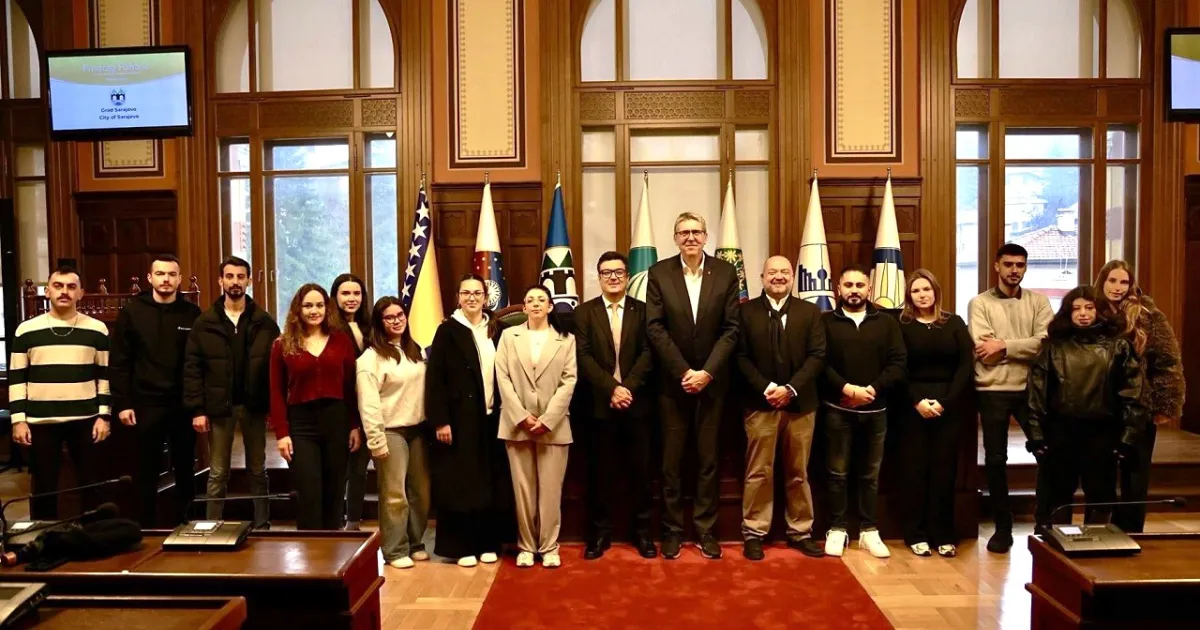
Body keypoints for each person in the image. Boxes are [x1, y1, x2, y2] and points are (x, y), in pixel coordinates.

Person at [645, 212, 740, 560]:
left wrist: (707, 372)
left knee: (708, 461)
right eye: (683, 232)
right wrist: (685, 371)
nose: (690, 238)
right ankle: (670, 530)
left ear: (706, 236)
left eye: (696, 232)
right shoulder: (659, 273)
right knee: (671, 462)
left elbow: (732, 329)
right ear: (674, 238)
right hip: (672, 384)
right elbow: (654, 327)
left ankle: (705, 529)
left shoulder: (726, 273)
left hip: (713, 385)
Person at [1026, 286, 1145, 527]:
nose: (1082, 314)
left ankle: (1098, 548)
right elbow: (1036, 394)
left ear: (1100, 312)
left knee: (1101, 492)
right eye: (1076, 308)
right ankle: (1055, 549)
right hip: (1061, 430)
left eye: (1089, 308)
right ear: (1067, 313)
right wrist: (1036, 435)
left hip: (1102, 431)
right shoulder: (1053, 348)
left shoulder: (1119, 347)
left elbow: (1134, 395)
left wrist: (1128, 437)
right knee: (1057, 492)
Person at [735, 255, 826, 561]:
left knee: (798, 471)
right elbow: (741, 357)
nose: (778, 276)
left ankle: (800, 531)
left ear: (792, 277)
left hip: (801, 405)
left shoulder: (810, 312)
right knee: (758, 471)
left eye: (784, 272)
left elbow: (817, 355)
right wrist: (767, 389)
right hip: (759, 405)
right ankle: (754, 532)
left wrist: (790, 389)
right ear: (761, 277)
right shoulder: (745, 312)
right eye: (772, 272)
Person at [967, 243, 1052, 553]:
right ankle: (1003, 528)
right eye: (1008, 264)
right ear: (996, 267)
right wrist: (1021, 348)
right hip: (992, 390)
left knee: (1047, 453)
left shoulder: (1039, 302)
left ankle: (1045, 522)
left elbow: (1045, 345)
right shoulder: (980, 303)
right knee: (995, 461)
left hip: (1031, 390)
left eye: (1020, 264)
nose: (1014, 270)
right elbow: (985, 353)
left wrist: (1004, 346)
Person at [184, 256, 280, 529]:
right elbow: (193, 369)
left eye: (240, 276)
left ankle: (262, 524)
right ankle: (211, 525)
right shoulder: (205, 322)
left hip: (254, 407)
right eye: (230, 276)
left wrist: (274, 406)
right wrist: (198, 410)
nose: (235, 281)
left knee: (257, 470)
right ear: (220, 280)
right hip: (219, 408)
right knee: (217, 473)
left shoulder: (265, 322)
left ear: (249, 280)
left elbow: (275, 369)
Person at [9, 266, 112, 519]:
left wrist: (104, 416)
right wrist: (18, 420)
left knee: (91, 484)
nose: (64, 292)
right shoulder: (26, 330)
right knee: (44, 487)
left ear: (81, 293)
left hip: (86, 419)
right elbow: (17, 378)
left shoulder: (97, 329)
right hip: (40, 421)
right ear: (48, 292)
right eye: (58, 286)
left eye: (71, 287)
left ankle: (95, 535)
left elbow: (105, 375)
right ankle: (45, 538)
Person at [425, 274, 513, 567]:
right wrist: (440, 421)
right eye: (466, 293)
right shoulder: (448, 331)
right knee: (461, 484)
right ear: (458, 297)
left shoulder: (497, 329)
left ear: (486, 297)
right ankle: (462, 547)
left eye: (478, 293)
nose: (472, 298)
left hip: (491, 418)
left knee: (489, 483)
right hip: (458, 422)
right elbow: (435, 380)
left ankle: (488, 542)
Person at [109, 254, 203, 526]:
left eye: (171, 274)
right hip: (144, 403)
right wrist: (123, 403)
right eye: (160, 274)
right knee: (146, 469)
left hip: (182, 404)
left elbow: (198, 364)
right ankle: (147, 528)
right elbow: (120, 362)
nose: (166, 279)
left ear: (179, 279)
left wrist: (198, 406)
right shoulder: (132, 312)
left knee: (186, 467)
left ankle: (187, 524)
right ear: (150, 278)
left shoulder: (192, 314)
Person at [820, 262, 906, 559]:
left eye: (859, 286)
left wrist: (871, 390)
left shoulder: (886, 323)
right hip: (837, 409)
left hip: (876, 410)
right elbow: (820, 362)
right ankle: (837, 529)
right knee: (837, 473)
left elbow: (898, 363)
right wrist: (847, 389)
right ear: (838, 289)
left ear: (869, 289)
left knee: (870, 475)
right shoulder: (825, 322)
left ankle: (869, 530)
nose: (854, 291)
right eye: (848, 285)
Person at [575, 251, 657, 560]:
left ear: (627, 276)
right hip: (599, 406)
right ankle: (599, 535)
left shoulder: (644, 311)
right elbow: (583, 357)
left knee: (641, 473)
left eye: (619, 272)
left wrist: (627, 388)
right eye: (607, 272)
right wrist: (612, 388)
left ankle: (644, 534)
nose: (613, 277)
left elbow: (650, 354)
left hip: (637, 406)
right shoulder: (584, 313)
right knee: (599, 475)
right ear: (598, 277)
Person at [1094, 261, 1185, 532]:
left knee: (1136, 472)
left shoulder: (1148, 315)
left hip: (1138, 406)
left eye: (1123, 282)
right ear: (1102, 282)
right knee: (1101, 472)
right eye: (1112, 281)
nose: (1117, 288)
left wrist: (1165, 404)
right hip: (1100, 405)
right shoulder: (1089, 310)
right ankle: (1100, 530)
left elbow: (1168, 362)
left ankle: (1131, 530)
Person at [495, 285, 578, 568]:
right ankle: (527, 546)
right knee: (524, 490)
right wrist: (521, 416)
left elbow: (569, 381)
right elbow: (502, 377)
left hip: (553, 427)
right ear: (523, 306)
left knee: (551, 491)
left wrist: (547, 419)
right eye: (530, 300)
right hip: (517, 426)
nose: (535, 304)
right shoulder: (509, 336)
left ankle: (549, 546)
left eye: (541, 300)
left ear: (551, 306)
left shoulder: (565, 340)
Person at [270, 284, 362, 530]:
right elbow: (276, 392)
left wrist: (354, 425)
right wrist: (282, 433)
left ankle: (334, 555)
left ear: (327, 308)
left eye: (319, 305)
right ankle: (311, 554)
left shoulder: (341, 341)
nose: (314, 311)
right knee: (309, 490)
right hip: (301, 424)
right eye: (308, 305)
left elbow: (351, 386)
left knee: (334, 489)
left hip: (337, 419)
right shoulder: (283, 344)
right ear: (297, 310)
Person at [896, 270, 973, 558]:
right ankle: (915, 534)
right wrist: (917, 401)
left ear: (936, 291)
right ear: (909, 296)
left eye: (926, 289)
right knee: (913, 471)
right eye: (916, 291)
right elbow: (897, 366)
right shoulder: (901, 325)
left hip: (948, 408)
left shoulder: (953, 323)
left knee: (944, 472)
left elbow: (965, 366)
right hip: (911, 407)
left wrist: (945, 402)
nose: (922, 295)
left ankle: (943, 534)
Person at [357, 296, 430, 567]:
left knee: (420, 493)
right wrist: (376, 440)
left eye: (400, 315)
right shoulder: (371, 358)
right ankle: (395, 549)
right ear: (379, 322)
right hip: (390, 431)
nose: (397, 320)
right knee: (394, 494)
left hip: (418, 430)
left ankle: (416, 542)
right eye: (389, 317)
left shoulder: (416, 350)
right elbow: (368, 403)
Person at [329, 273, 371, 531]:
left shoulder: (370, 326)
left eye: (356, 294)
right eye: (346, 294)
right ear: (335, 296)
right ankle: (334, 522)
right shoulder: (329, 328)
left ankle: (353, 522)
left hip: (367, 406)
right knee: (339, 469)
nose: (351, 299)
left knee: (359, 470)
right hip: (340, 408)